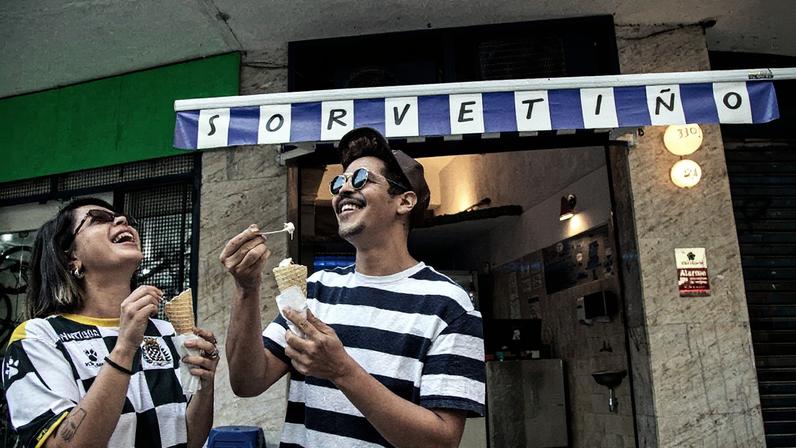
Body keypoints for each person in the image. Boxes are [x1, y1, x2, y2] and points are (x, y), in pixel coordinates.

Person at [222, 127, 485, 447]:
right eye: (338, 182)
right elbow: (247, 381)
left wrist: (342, 370)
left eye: (361, 179)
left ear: (404, 201)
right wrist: (246, 289)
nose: (343, 189)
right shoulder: (315, 290)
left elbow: (441, 441)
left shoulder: (449, 305)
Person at [1, 197, 218, 448]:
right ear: (71, 257)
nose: (122, 220)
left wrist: (206, 385)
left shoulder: (167, 332)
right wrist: (124, 348)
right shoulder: (39, 337)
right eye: (98, 219)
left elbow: (189, 440)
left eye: (124, 218)